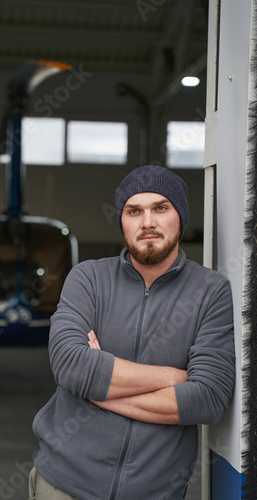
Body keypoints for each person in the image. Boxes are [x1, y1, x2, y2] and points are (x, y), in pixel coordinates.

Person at [29, 164, 235, 500]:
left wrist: (97, 389)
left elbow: (208, 399)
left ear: (180, 217)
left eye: (161, 208)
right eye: (134, 210)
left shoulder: (210, 292)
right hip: (63, 485)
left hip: (156, 491)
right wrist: (174, 377)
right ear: (122, 220)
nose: (147, 222)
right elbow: (70, 366)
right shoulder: (88, 279)